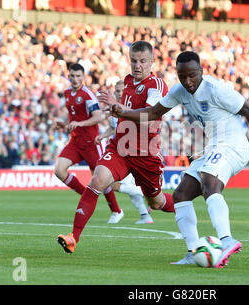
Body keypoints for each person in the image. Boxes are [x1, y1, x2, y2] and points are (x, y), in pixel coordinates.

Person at [109, 51, 249, 268]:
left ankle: (227, 241)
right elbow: (153, 112)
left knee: (210, 181)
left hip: (234, 145)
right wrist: (123, 113)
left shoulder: (215, 89)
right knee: (181, 194)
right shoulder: (180, 90)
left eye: (192, 75)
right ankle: (193, 251)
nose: (188, 82)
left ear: (201, 71)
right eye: (183, 76)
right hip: (213, 147)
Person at [57, 41, 174, 254]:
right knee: (97, 180)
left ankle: (184, 204)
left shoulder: (156, 85)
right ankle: (74, 237)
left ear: (152, 62)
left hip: (144, 153)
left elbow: (150, 115)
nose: (137, 66)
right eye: (133, 61)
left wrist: (120, 109)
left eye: (142, 61)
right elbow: (123, 113)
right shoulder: (128, 81)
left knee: (157, 202)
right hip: (119, 147)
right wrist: (114, 109)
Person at [54, 63, 123, 225]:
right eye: (72, 76)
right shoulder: (67, 93)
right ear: (68, 76)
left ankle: (116, 210)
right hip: (76, 142)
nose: (75, 79)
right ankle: (86, 194)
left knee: (101, 178)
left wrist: (80, 124)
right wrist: (64, 124)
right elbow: (73, 117)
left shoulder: (88, 95)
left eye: (78, 76)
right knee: (59, 170)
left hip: (92, 141)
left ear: (83, 77)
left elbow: (98, 117)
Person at [95, 80, 154, 224]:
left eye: (122, 90)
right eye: (117, 91)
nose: (119, 93)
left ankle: (142, 194)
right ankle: (145, 216)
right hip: (121, 152)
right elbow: (113, 127)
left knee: (110, 183)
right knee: (123, 187)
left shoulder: (132, 109)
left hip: (131, 153)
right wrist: (102, 136)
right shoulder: (115, 108)